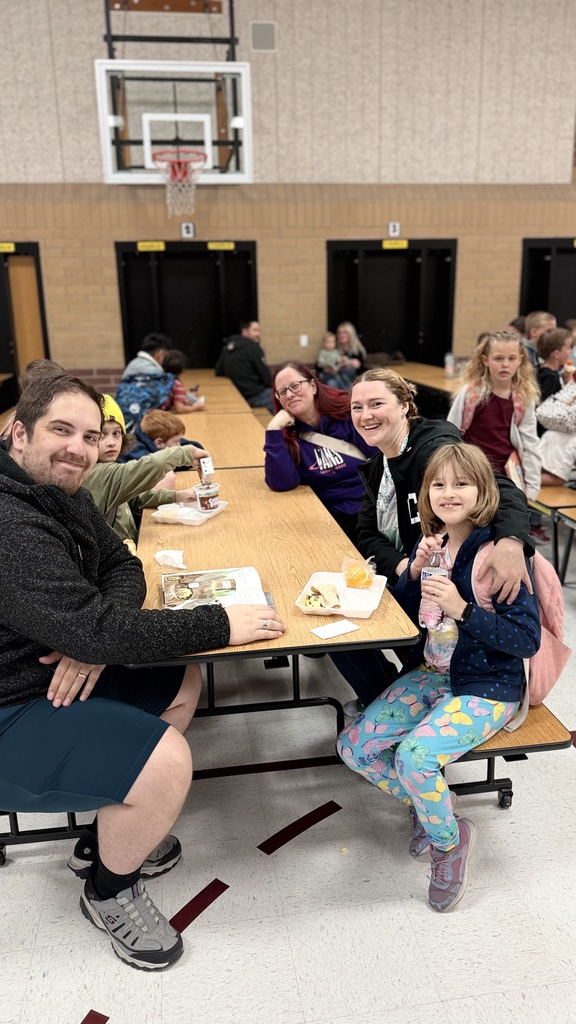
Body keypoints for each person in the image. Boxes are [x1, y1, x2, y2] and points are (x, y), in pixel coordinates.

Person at [0, 373, 286, 970]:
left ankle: (109, 834)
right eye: (60, 430)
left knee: (180, 679)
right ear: (17, 432)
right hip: (12, 705)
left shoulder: (63, 490)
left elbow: (121, 564)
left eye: (88, 434)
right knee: (166, 762)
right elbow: (97, 620)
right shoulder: (10, 523)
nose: (78, 447)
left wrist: (87, 639)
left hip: (53, 669)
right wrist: (220, 623)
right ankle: (108, 891)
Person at [337, 442, 540, 912]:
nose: (449, 493)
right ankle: (432, 811)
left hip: (486, 685)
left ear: (482, 490)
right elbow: (419, 620)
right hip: (434, 673)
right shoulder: (435, 543)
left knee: (413, 758)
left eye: (461, 484)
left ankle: (449, 842)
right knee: (354, 747)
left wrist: (463, 609)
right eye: (438, 485)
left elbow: (526, 641)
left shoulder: (499, 556)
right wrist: (414, 571)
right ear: (425, 494)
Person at [330, 368, 533, 713]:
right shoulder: (379, 465)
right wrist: (405, 566)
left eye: (376, 403)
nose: (365, 415)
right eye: (357, 407)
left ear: (405, 405)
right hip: (415, 578)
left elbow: (502, 488)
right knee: (336, 625)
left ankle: (389, 704)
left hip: (451, 594)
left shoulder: (435, 448)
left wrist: (512, 541)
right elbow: (366, 533)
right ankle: (383, 699)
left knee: (346, 633)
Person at [264, 361, 378, 543]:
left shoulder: (347, 416)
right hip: (330, 523)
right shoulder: (290, 438)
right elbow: (281, 483)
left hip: (372, 515)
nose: (290, 394)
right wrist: (273, 429)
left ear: (312, 386)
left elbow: (381, 461)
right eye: (282, 392)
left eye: (295, 386)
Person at [447, 331, 542, 529]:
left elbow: (530, 442)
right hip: (471, 471)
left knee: (501, 528)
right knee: (471, 527)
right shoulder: (471, 393)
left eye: (511, 359)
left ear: (520, 361)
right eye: (498, 358)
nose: (505, 364)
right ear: (486, 360)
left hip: (505, 476)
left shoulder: (523, 398)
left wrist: (532, 486)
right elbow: (450, 432)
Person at [85, 395, 210, 544]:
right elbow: (142, 468)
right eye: (101, 435)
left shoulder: (107, 468)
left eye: (116, 433)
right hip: (119, 559)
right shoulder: (94, 473)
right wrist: (185, 453)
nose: (111, 442)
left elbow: (134, 499)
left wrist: (176, 496)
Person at [536, 328, 576, 486]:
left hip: (548, 434)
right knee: (556, 477)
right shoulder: (550, 378)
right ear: (556, 353)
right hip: (547, 433)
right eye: (568, 347)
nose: (570, 351)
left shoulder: (549, 374)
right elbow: (548, 409)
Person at [214, 319, 274, 412]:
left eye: (259, 331)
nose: (258, 334)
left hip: (235, 394)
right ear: (245, 331)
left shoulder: (228, 347)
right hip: (253, 395)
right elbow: (265, 376)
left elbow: (218, 370)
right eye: (254, 330)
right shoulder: (253, 348)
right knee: (282, 396)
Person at [120, 408, 200, 463]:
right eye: (176, 442)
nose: (179, 445)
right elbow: (156, 466)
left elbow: (196, 447)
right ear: (158, 443)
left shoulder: (161, 437)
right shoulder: (134, 450)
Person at [161, 348, 205, 413]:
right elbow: (180, 409)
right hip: (156, 413)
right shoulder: (176, 383)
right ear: (182, 369)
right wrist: (196, 407)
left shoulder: (159, 377)